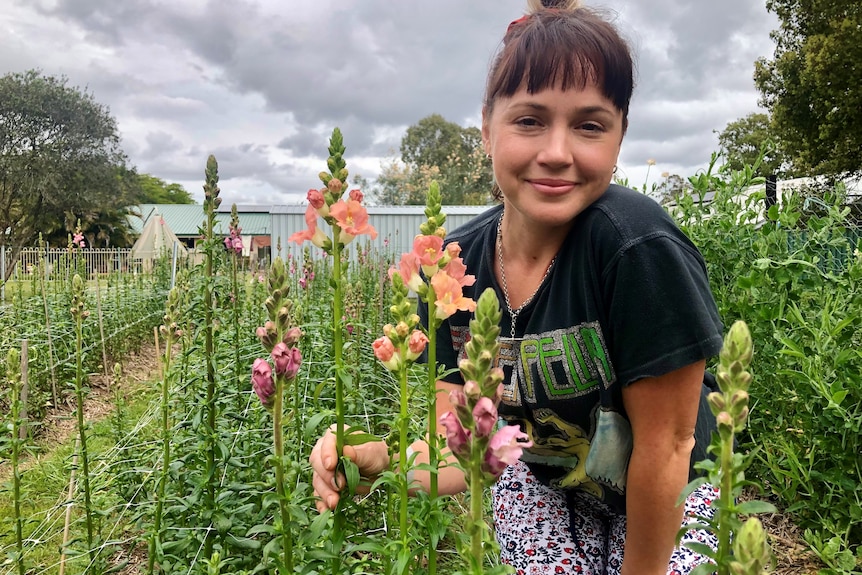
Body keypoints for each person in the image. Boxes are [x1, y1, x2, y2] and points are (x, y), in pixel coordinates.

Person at [311, 0, 725, 572]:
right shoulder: (452, 271)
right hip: (553, 485)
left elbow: (669, 446)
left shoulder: (637, 247)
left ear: (620, 136)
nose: (556, 153)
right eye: (529, 120)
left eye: (589, 125)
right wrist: (376, 459)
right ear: (487, 129)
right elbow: (461, 452)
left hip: (672, 490)